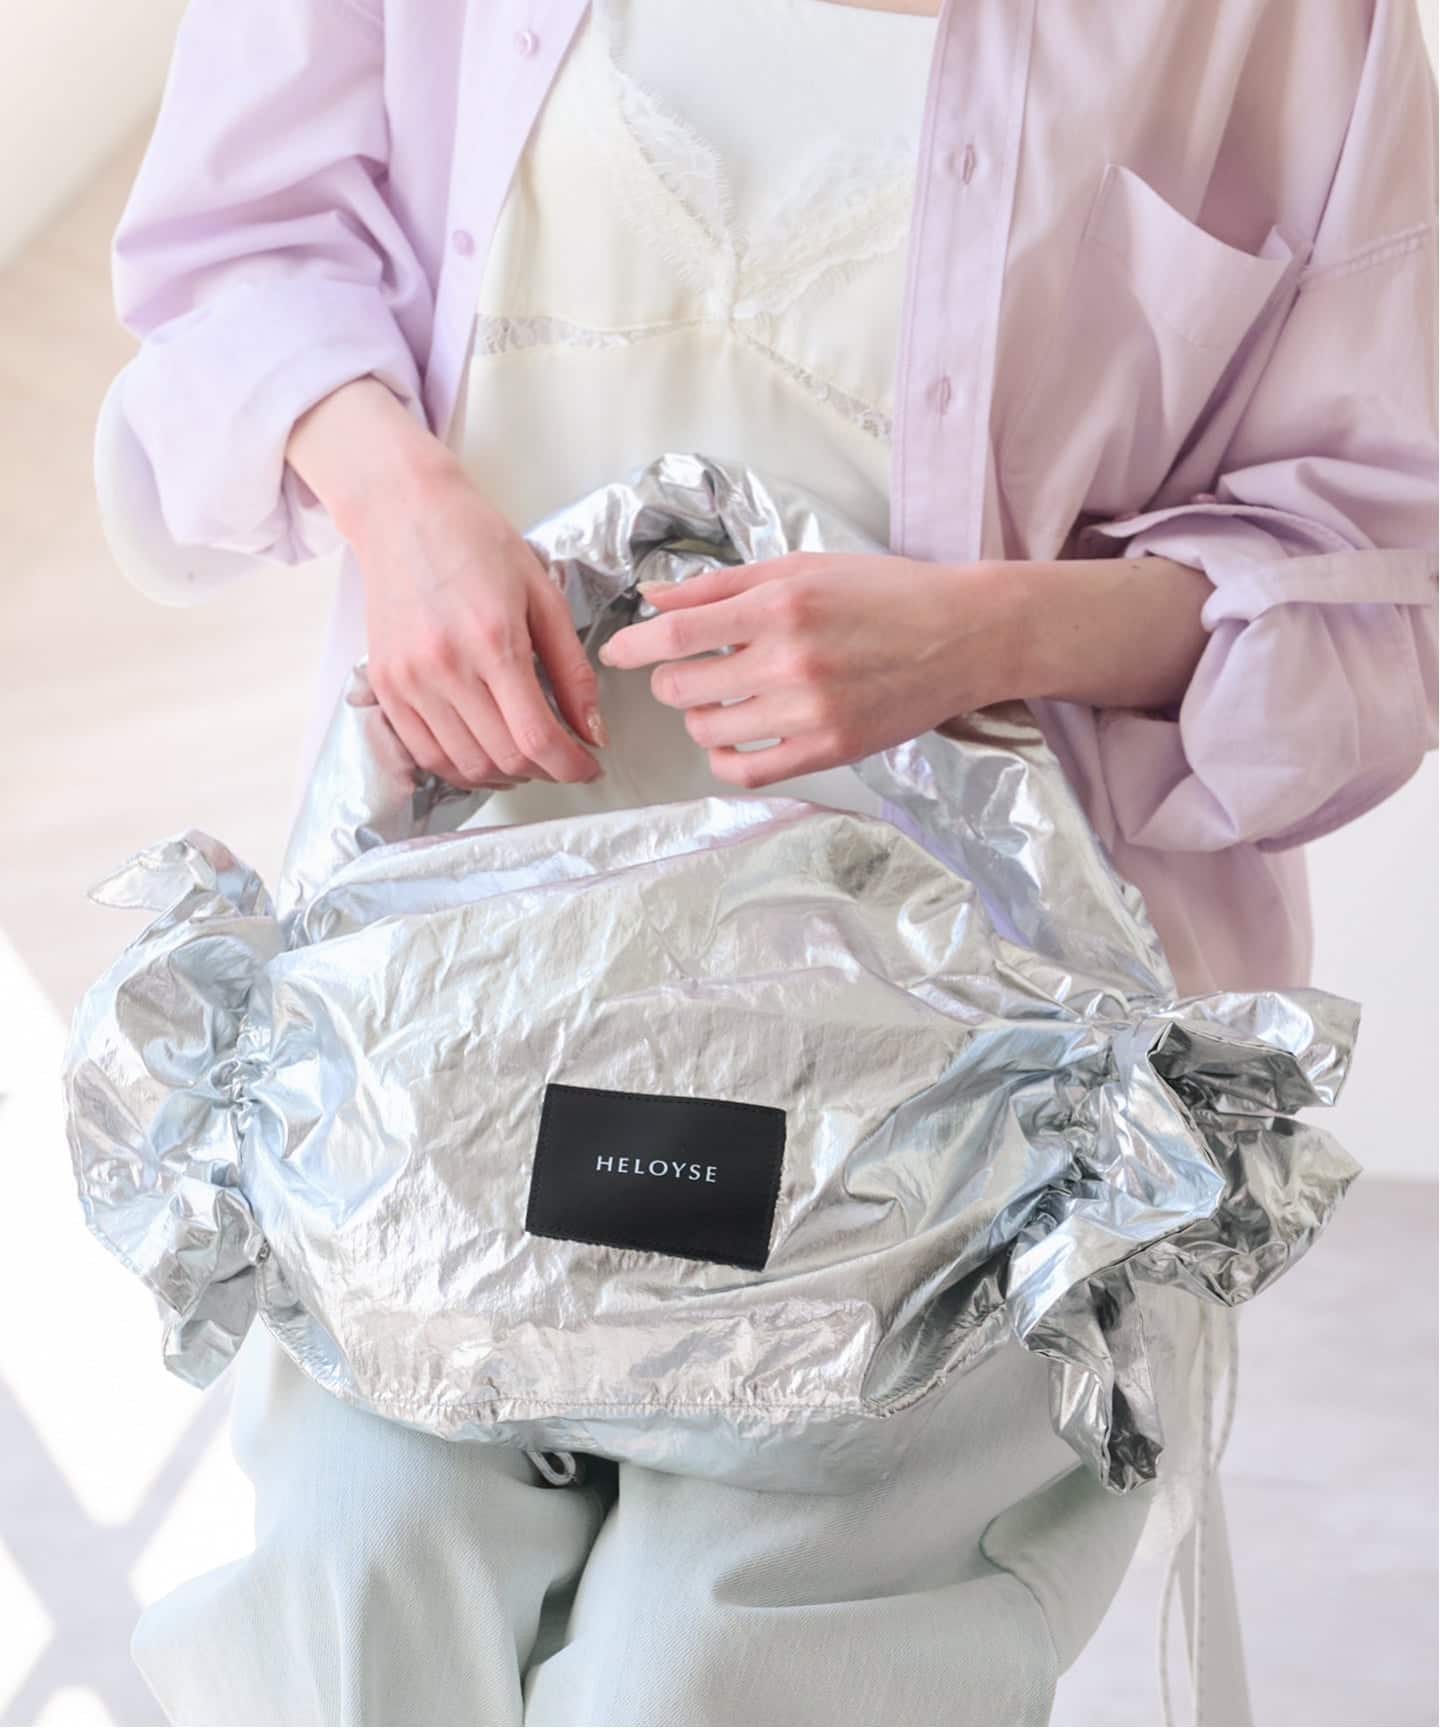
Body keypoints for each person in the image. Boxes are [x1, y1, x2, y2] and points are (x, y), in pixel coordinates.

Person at [95, 0, 1437, 1722]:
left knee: (703, 1678)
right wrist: (398, 496)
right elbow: (235, 251)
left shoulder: (1282, 29)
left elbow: (1379, 594)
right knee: (347, 1589)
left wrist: (986, 635)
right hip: (452, 1019)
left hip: (960, 1089)